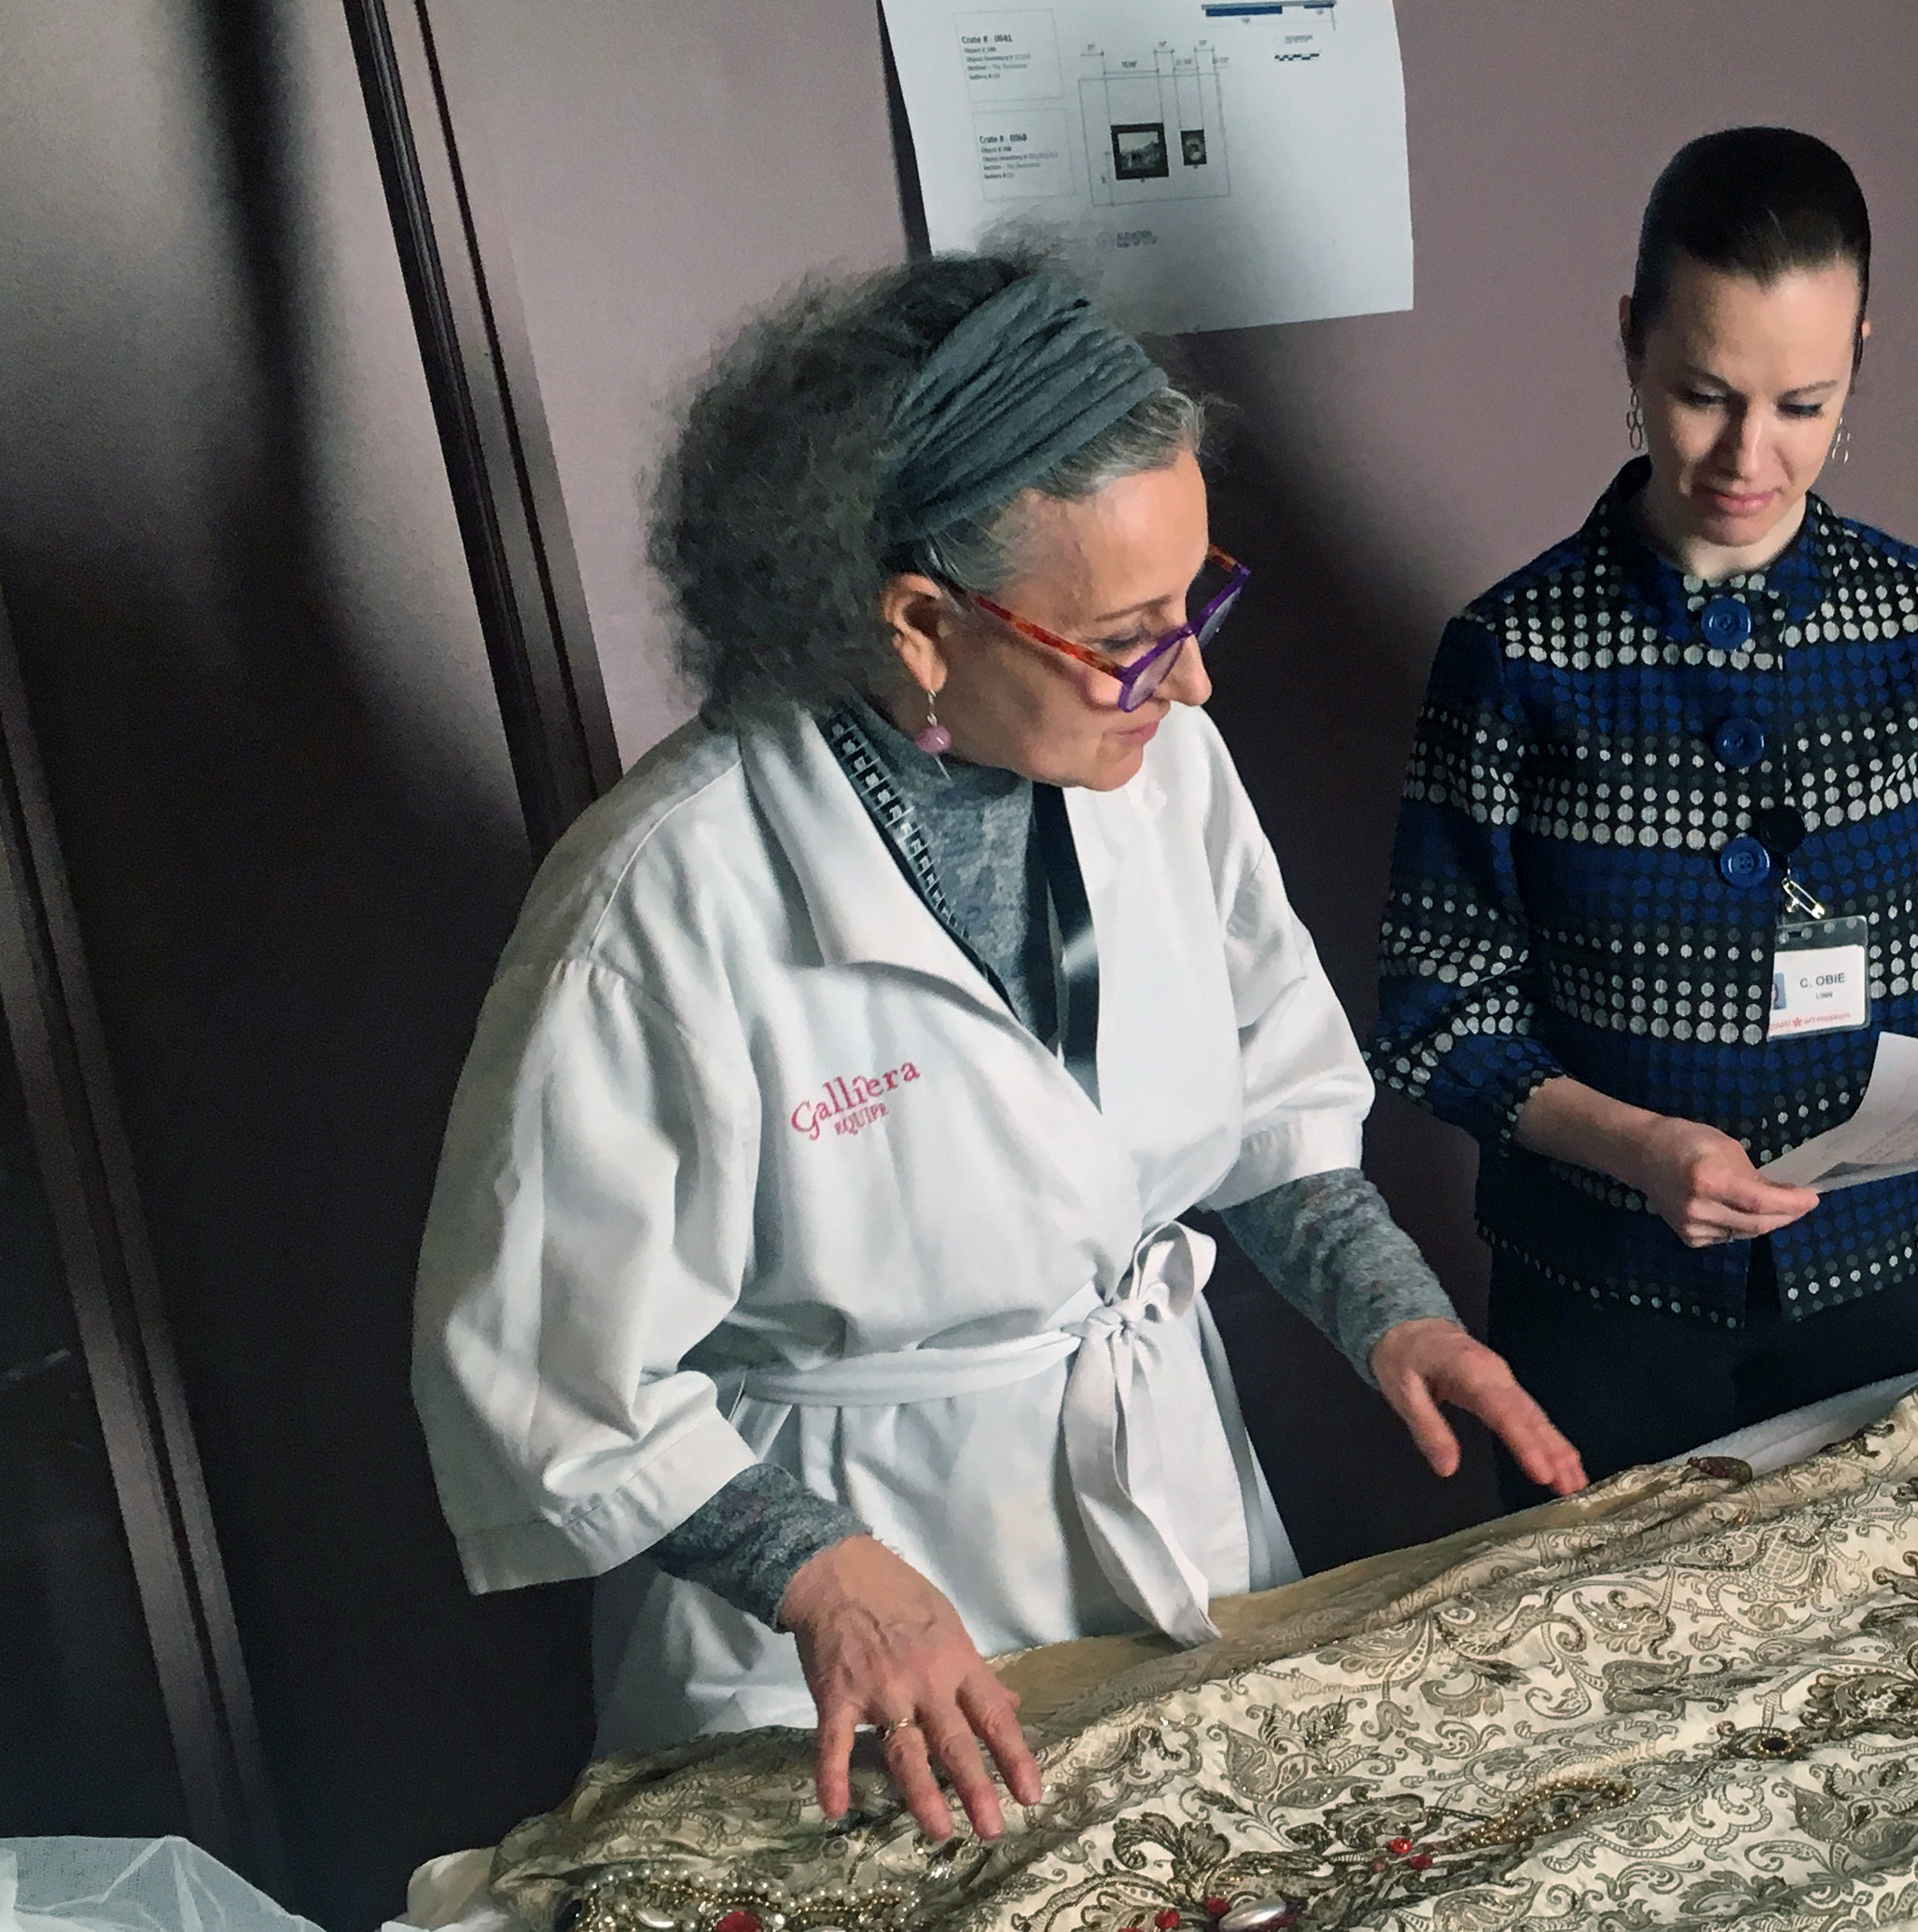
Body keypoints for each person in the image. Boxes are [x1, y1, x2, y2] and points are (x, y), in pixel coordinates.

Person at [414, 252, 1578, 1842]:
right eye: (1131, 632)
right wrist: (815, 1570)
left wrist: (1395, 1316)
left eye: (1196, 603)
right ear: (918, 621)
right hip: (843, 1655)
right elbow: (551, 1370)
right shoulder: (665, 896)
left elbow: (1272, 1115)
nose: (1193, 673)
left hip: (1170, 1517)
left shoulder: (1166, 766)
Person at [1369, 127, 1918, 1498]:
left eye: (1803, 405)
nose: (1748, 457)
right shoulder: (1514, 650)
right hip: (1601, 1301)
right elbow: (1433, 1021)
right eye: (1705, 395)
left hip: (1886, 1282)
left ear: (1859, 364)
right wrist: (1641, 1150)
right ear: (1631, 342)